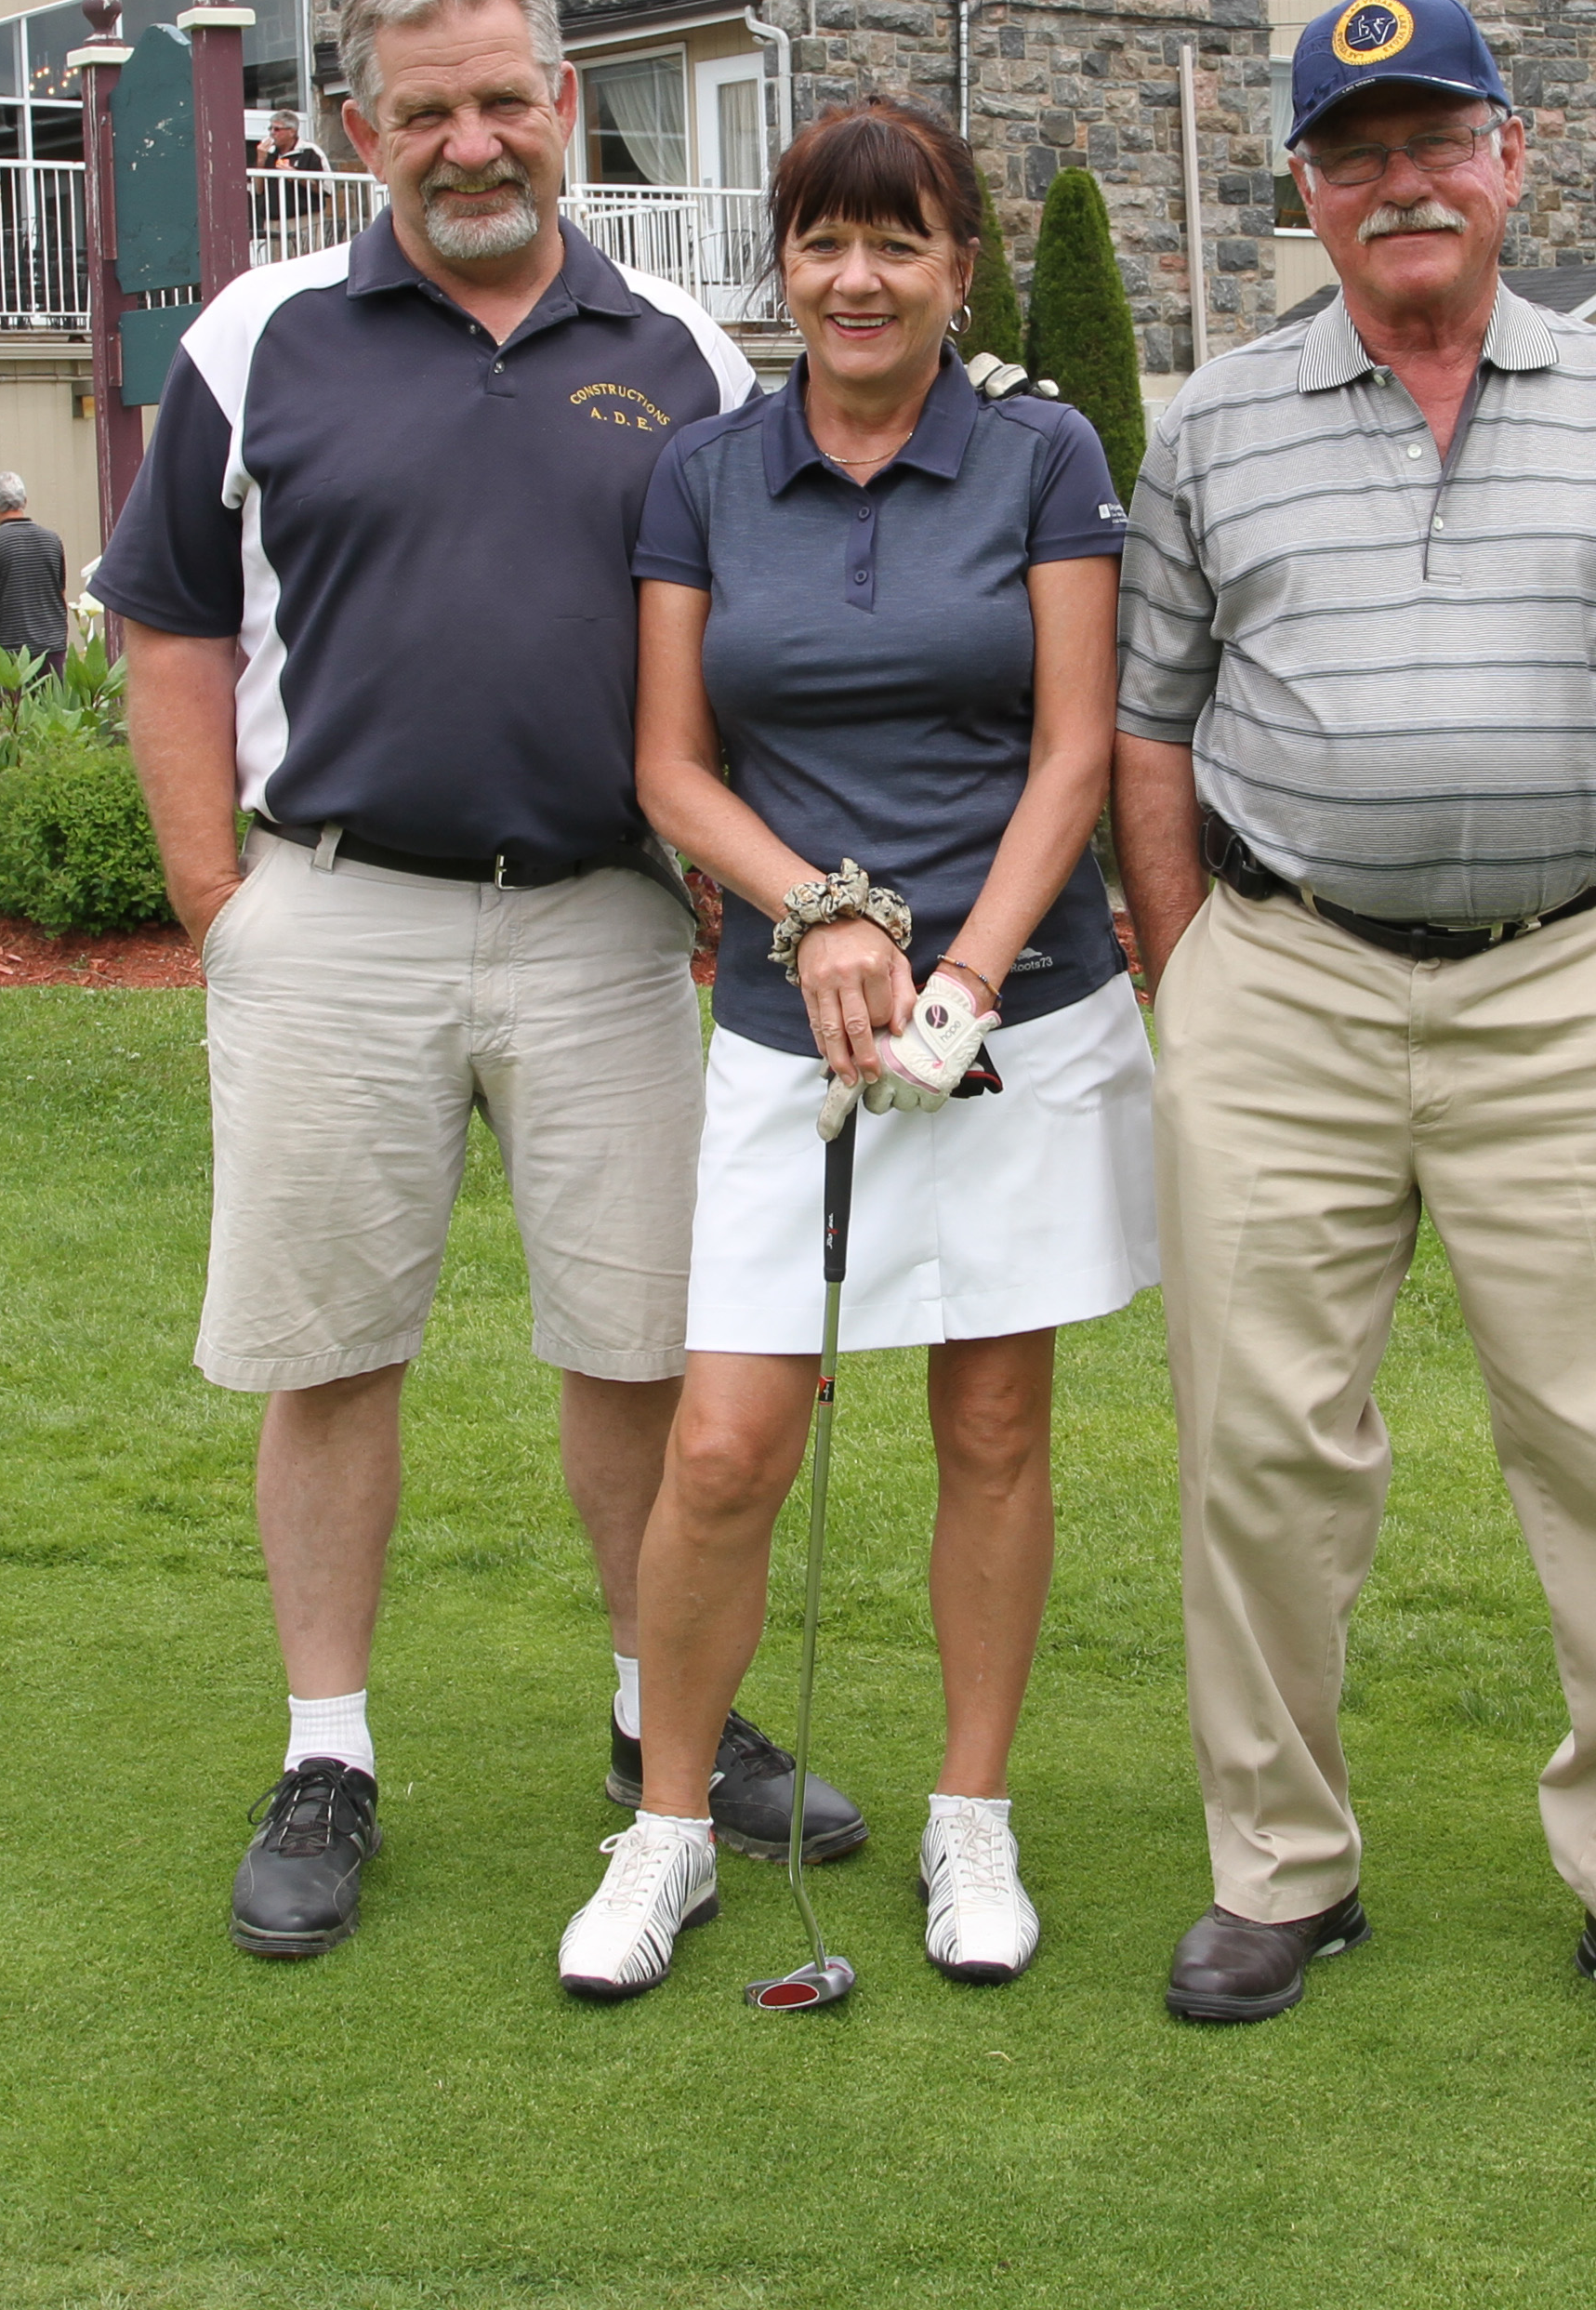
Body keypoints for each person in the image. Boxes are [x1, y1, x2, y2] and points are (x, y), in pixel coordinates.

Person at [86, 0, 855, 1964]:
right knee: (329, 1349)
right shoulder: (256, 339)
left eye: (506, 98)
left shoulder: (682, 354)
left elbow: (750, 639)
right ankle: (326, 1755)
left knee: (641, 1346)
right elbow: (168, 632)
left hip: (606, 926)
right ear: (361, 129)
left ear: (562, 103)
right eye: (426, 111)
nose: (472, 141)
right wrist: (218, 904)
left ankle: (659, 1717)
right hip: (335, 918)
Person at [1115, 0, 1596, 2075]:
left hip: (1569, 977)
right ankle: (1279, 1866)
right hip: (1285, 982)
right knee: (1258, 1446)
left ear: (1511, 159)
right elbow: (1149, 719)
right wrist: (1186, 965)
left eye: (1436, 142)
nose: (1399, 182)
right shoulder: (1213, 423)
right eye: (1354, 154)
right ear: (1305, 191)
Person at [551, 96, 1151, 2001]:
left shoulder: (1044, 456)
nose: (859, 278)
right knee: (728, 1442)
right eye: (823, 240)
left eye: (899, 241)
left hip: (1015, 1011)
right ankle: (666, 1827)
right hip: (784, 1026)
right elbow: (669, 767)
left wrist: (959, 973)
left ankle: (972, 1814)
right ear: (784, 264)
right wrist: (823, 911)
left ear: (960, 266)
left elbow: (1072, 750)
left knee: (992, 1422)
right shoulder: (707, 474)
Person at [0, 474, 68, 677]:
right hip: (53, 648)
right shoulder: (52, 540)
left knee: (11, 698)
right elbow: (60, 593)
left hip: (12, 650)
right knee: (52, 697)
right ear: (24, 501)